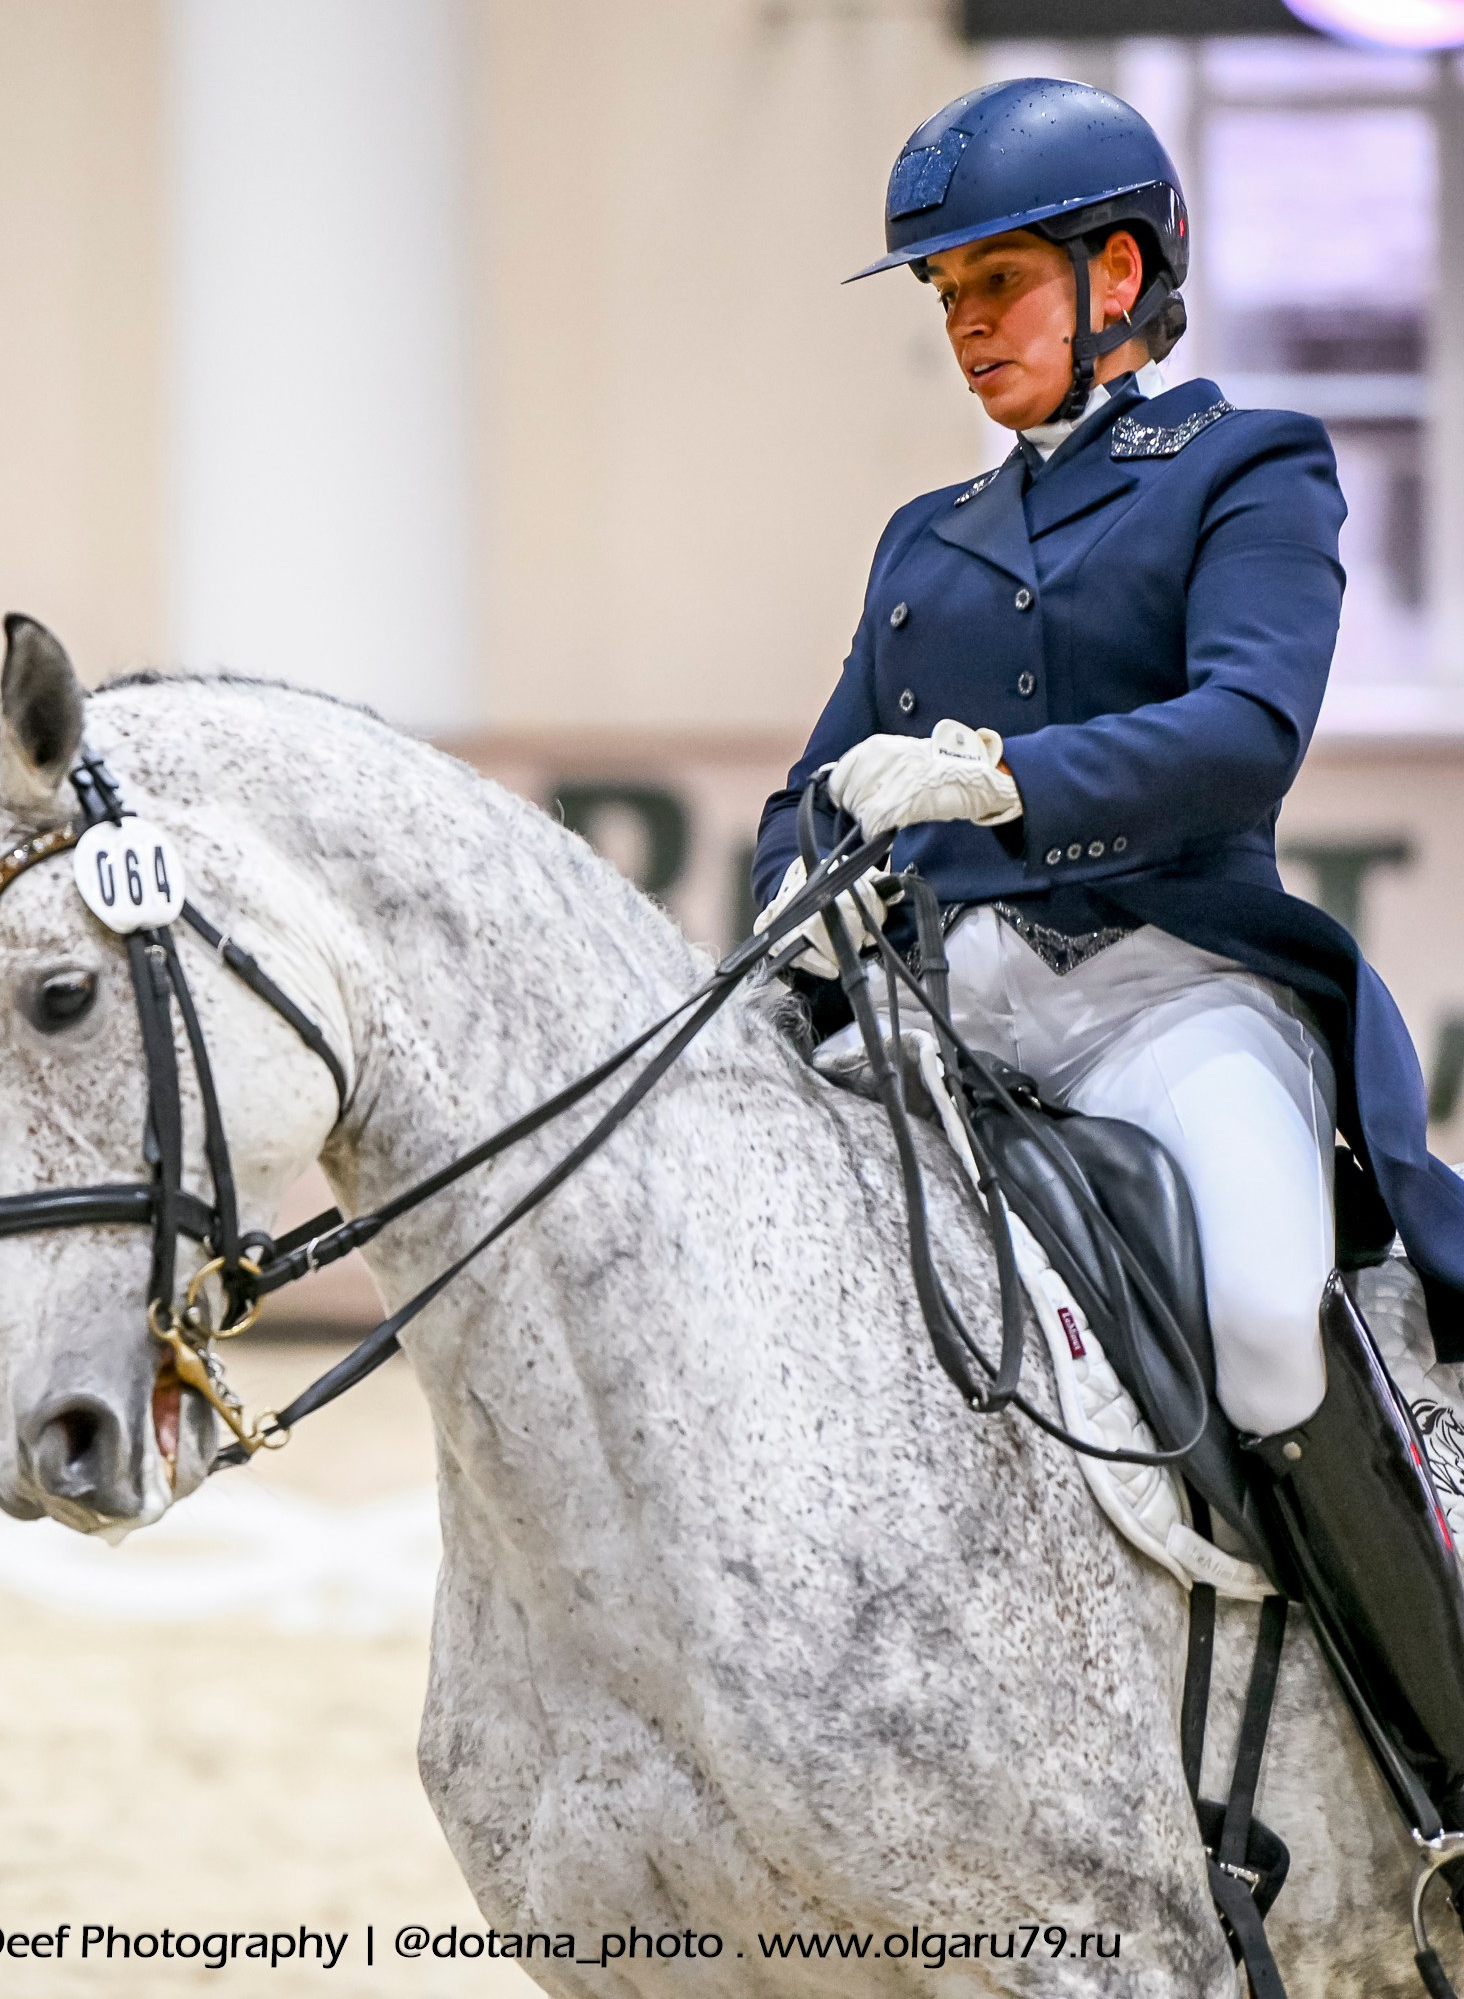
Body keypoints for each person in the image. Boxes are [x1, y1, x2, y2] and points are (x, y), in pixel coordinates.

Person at [753, 75, 1464, 1829]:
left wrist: (1003, 782)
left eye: (996, 282)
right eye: (948, 294)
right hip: (955, 1012)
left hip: (1172, 992)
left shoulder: (1245, 467)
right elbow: (808, 789)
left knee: (1264, 1321)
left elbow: (1246, 731)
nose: (964, 325)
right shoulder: (923, 539)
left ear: (1118, 272)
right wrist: (798, 894)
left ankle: (1444, 1775)